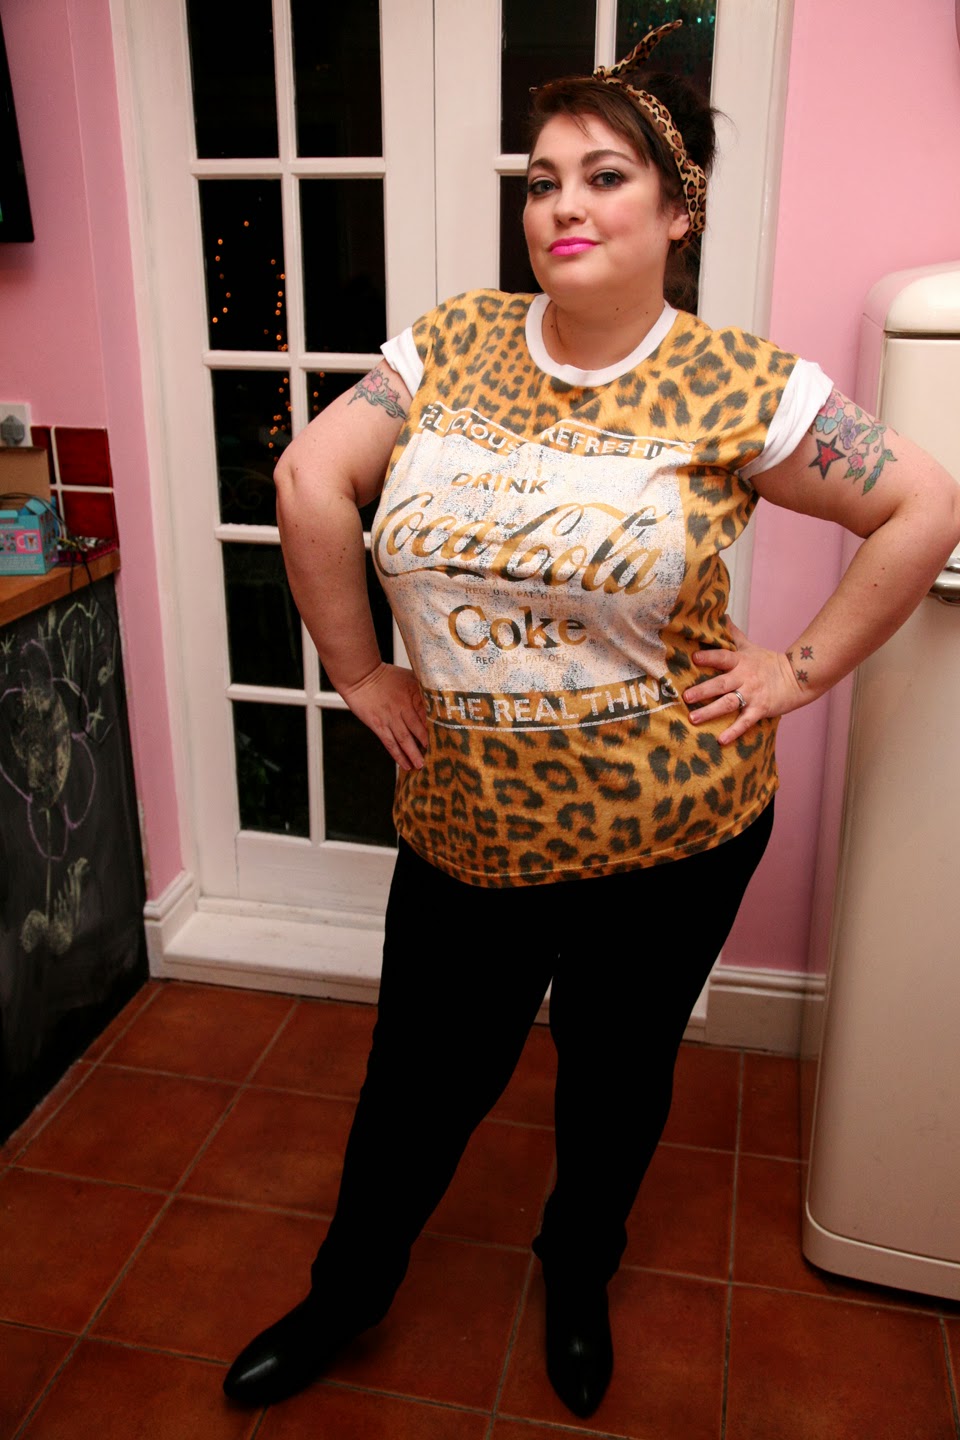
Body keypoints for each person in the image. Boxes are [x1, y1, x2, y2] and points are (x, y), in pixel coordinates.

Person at [223, 21, 960, 1419]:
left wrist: (797, 672)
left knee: (615, 1080)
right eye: (543, 179)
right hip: (467, 819)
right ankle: (347, 1293)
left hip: (673, 830)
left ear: (678, 213)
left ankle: (576, 1271)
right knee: (418, 1083)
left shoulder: (741, 383)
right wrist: (361, 676)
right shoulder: (454, 344)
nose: (562, 204)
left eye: (604, 176)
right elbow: (311, 482)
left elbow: (925, 503)